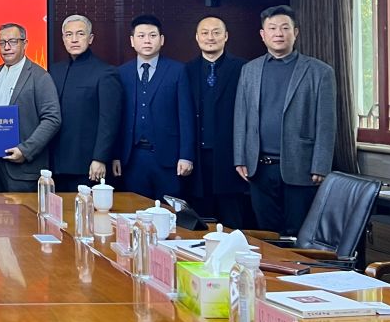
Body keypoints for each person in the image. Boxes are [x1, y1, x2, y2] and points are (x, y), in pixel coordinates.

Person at [234, 5, 336, 235]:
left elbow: (326, 123)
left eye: (285, 28)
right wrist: (240, 157)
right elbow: (241, 116)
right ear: (263, 35)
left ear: (295, 32)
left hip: (300, 167)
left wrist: (321, 164)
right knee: (266, 233)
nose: (278, 33)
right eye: (272, 28)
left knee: (297, 233)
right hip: (259, 168)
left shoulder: (319, 72)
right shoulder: (250, 70)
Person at [113, 14, 195, 201]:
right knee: (135, 209)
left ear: (162, 39)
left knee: (168, 211)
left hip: (168, 157)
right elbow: (117, 118)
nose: (147, 41)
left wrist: (186, 156)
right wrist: (115, 155)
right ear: (132, 41)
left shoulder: (177, 70)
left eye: (152, 35)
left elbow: (186, 116)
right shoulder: (121, 72)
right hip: (132, 157)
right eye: (141, 36)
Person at [0, 23, 61, 192]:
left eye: (13, 41)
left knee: (22, 211)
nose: (7, 47)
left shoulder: (40, 77)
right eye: (2, 43)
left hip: (23, 170)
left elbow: (52, 119)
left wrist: (25, 151)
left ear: (25, 43)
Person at [185, 15, 247, 228]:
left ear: (226, 36)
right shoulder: (187, 70)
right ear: (197, 37)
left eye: (216, 32)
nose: (210, 37)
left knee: (233, 223)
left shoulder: (243, 68)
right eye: (205, 33)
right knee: (199, 225)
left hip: (231, 158)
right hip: (197, 159)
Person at [48, 14, 121, 192]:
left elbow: (109, 121)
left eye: (80, 34)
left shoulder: (105, 72)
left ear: (90, 38)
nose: (74, 39)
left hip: (87, 164)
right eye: (69, 34)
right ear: (63, 39)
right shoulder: (54, 71)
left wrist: (100, 158)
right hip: (54, 164)